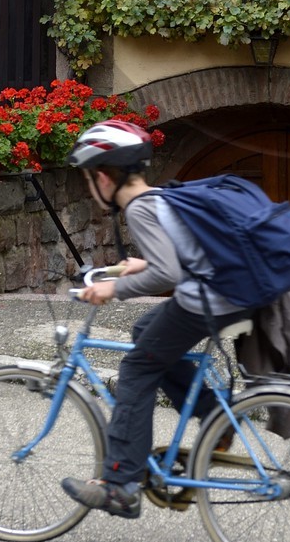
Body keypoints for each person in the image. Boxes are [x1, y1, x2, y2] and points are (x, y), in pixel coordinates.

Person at [60, 119, 250, 519]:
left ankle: (119, 483)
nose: (91, 187)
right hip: (228, 292)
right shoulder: (158, 198)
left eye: (89, 178)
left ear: (104, 177)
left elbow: (167, 274)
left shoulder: (141, 207)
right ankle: (215, 415)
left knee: (136, 369)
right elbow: (177, 257)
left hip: (208, 298)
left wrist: (111, 288)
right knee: (146, 332)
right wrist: (136, 266)